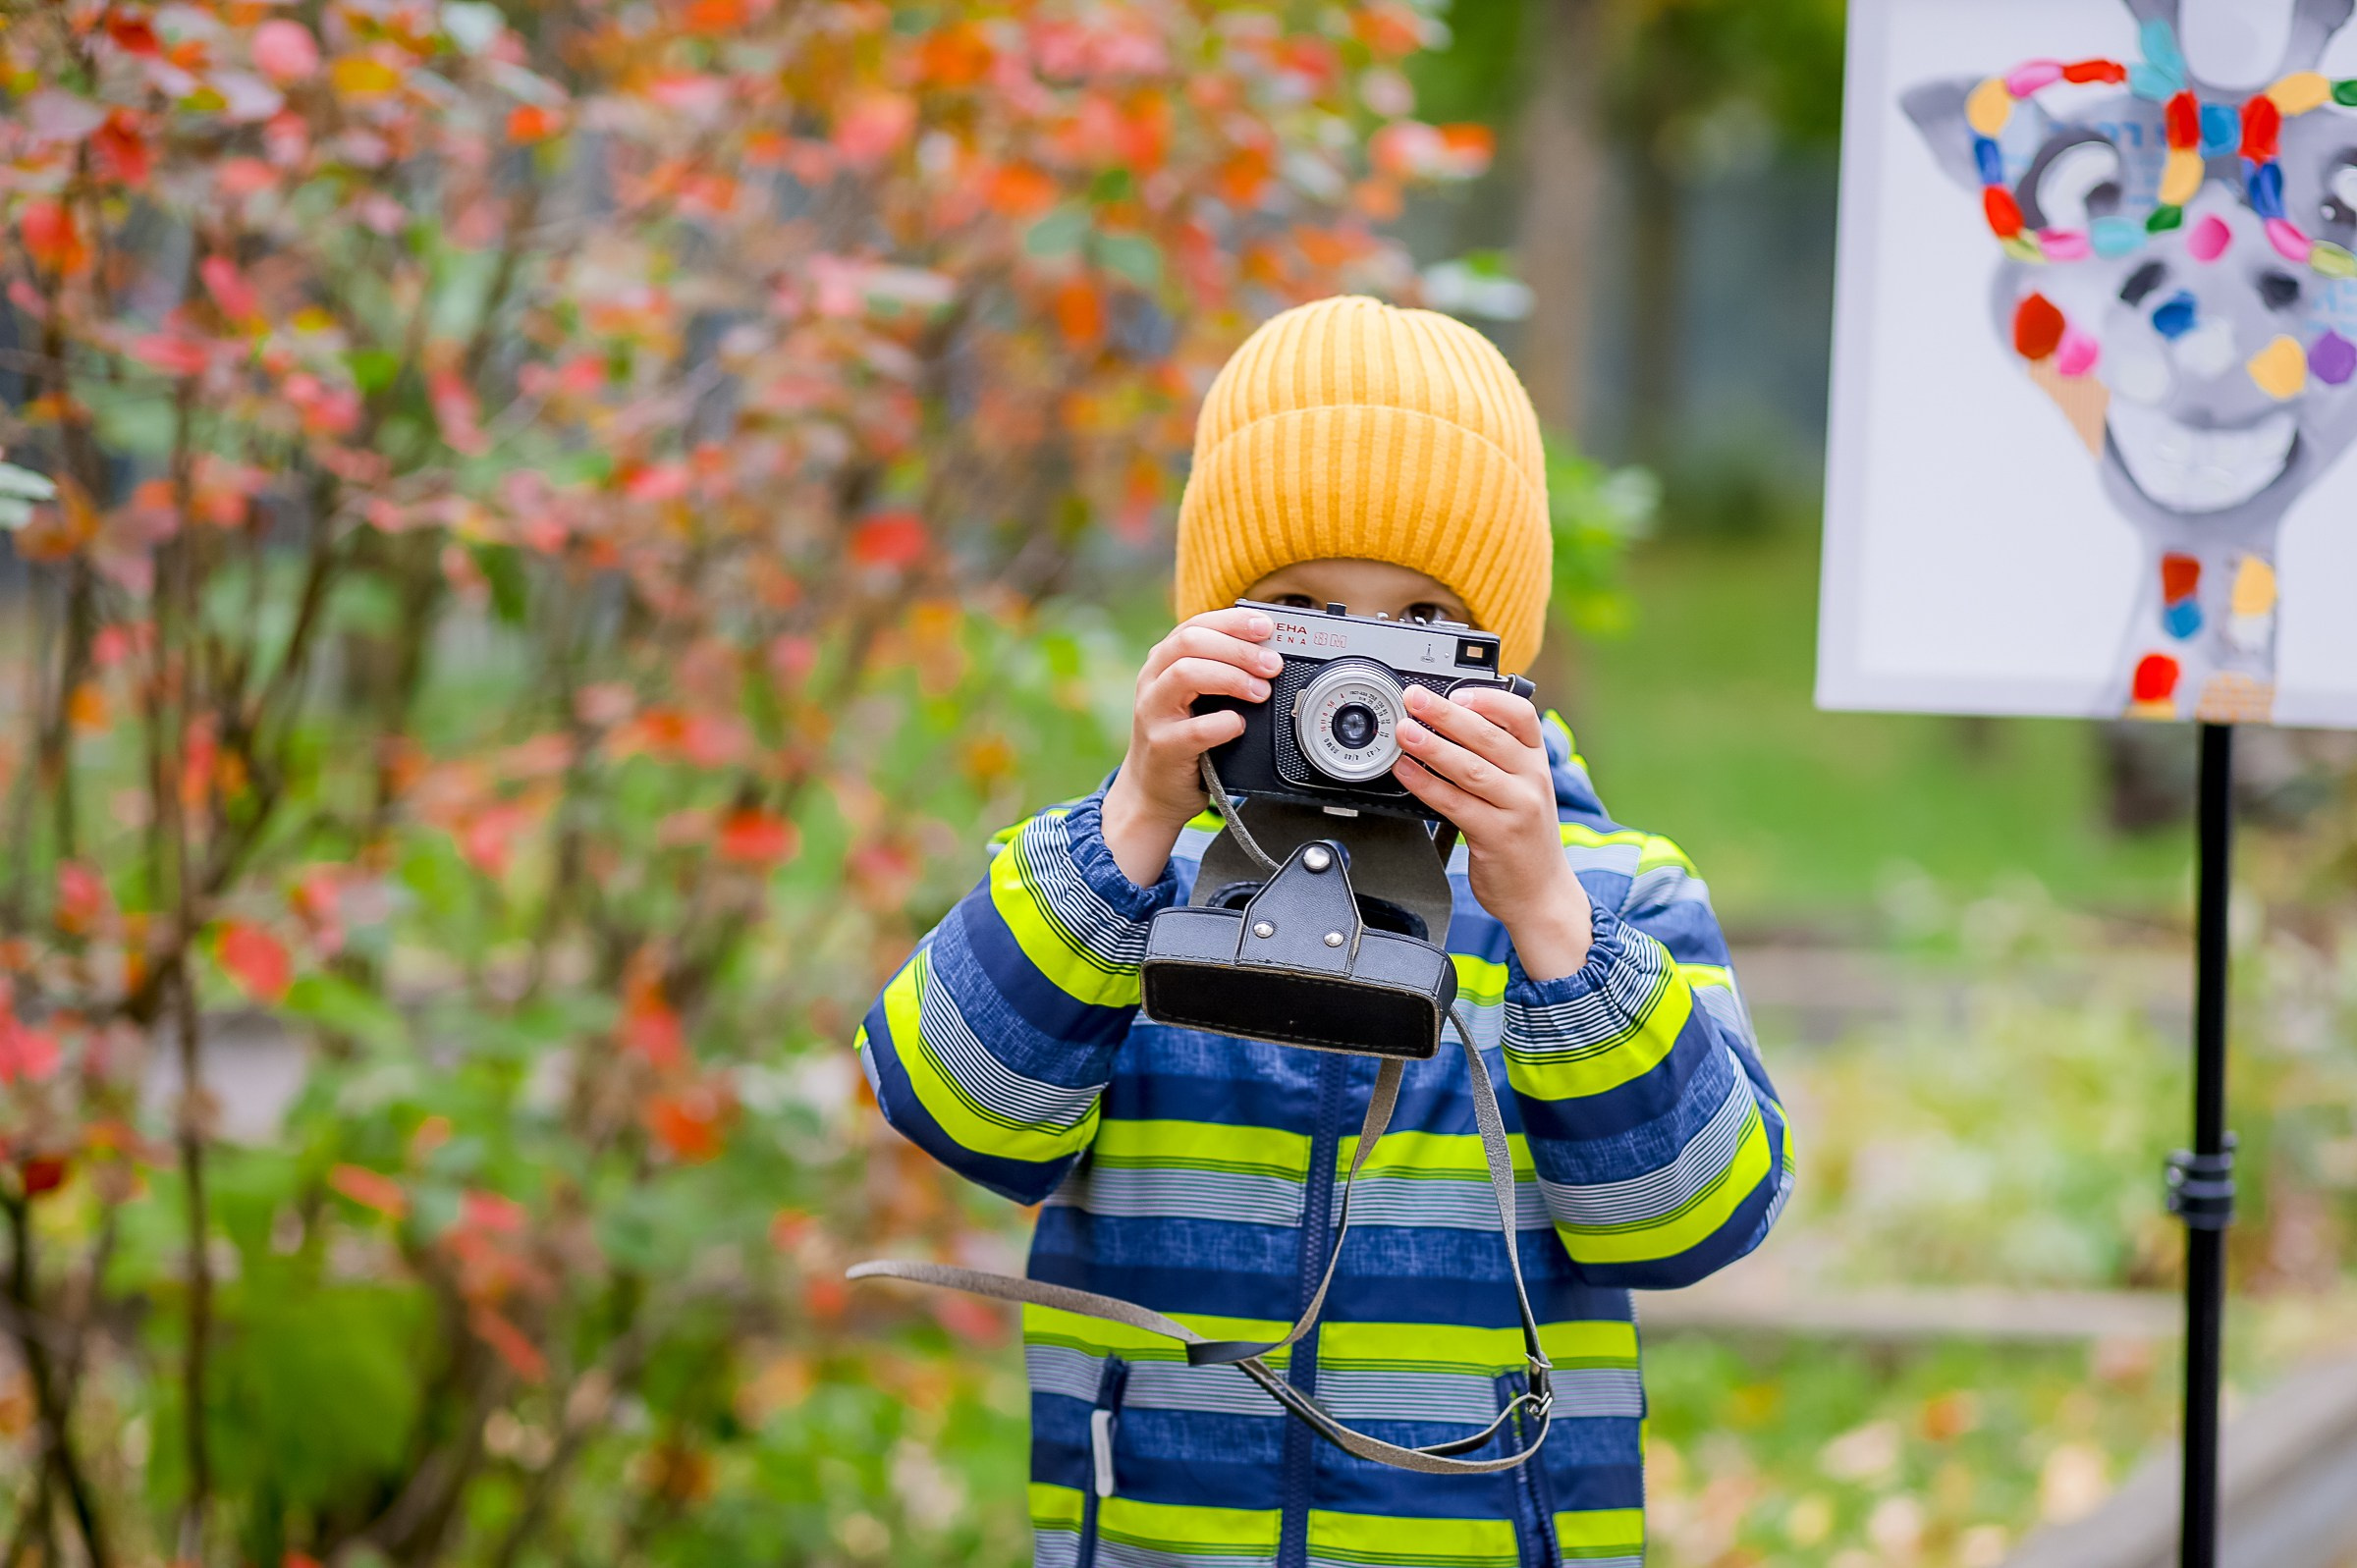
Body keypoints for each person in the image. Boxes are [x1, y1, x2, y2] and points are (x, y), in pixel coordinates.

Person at [856, 296, 1792, 1568]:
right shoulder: (1124, 877)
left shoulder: (1602, 894)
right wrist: (1136, 814)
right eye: (1300, 613)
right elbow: (947, 1106)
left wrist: (1551, 921)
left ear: (1502, 652)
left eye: (1418, 628)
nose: (1362, 681)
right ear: (1207, 628)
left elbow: (1700, 1220)